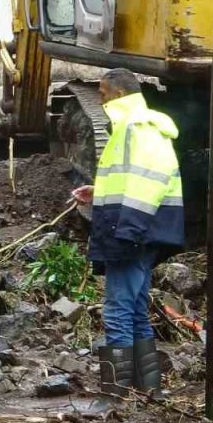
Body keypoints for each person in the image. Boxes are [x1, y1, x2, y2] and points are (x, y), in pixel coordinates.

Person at [71, 69, 184, 397]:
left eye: (103, 94)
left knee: (118, 310)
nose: (100, 100)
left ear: (118, 95)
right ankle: (149, 390)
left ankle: (114, 395)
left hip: (131, 232)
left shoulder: (134, 128)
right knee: (134, 309)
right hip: (139, 231)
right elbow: (138, 178)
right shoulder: (141, 126)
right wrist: (100, 191)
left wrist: (129, 230)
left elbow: (149, 181)